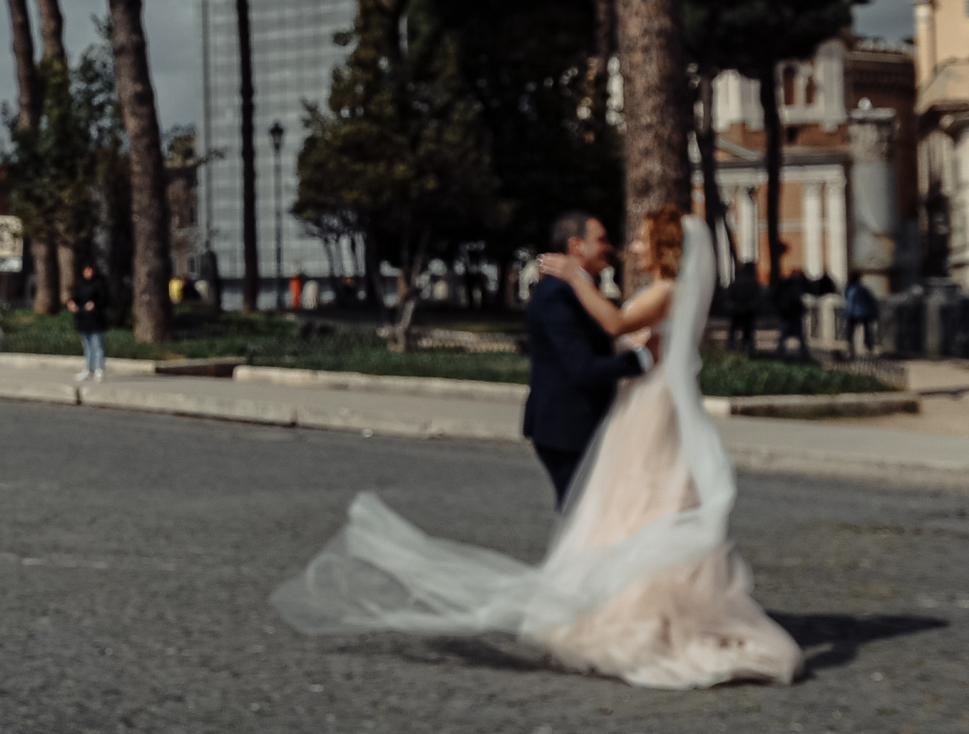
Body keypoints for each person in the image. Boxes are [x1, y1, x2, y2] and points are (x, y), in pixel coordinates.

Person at [274, 209, 801, 690]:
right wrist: (621, 340)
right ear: (576, 247)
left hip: (645, 410)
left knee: (625, 515)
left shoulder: (662, 289)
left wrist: (584, 289)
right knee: (619, 515)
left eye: (638, 239)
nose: (623, 246)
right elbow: (607, 340)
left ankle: (622, 613)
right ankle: (614, 609)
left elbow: (617, 326)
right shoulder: (592, 293)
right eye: (606, 240)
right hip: (611, 413)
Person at [518, 211, 653, 507]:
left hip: (579, 427)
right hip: (566, 430)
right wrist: (642, 359)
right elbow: (583, 368)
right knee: (579, 518)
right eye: (601, 240)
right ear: (577, 246)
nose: (609, 247)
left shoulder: (577, 291)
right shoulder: (557, 295)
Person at [66, 259, 112, 383]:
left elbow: (105, 300)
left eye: (90, 271)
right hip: (83, 319)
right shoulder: (80, 284)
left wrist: (95, 304)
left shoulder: (100, 283)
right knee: (87, 346)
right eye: (86, 271)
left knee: (97, 345)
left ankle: (99, 369)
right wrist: (72, 304)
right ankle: (88, 369)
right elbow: (76, 297)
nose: (88, 273)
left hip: (97, 320)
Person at [721, 261, 762, 354]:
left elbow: (730, 295)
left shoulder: (738, 281)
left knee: (734, 330)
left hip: (737, 310)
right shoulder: (752, 282)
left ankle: (731, 346)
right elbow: (757, 296)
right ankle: (747, 347)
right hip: (748, 310)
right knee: (747, 331)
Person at [841, 273, 880, 358]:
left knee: (850, 332)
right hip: (863, 312)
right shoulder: (862, 289)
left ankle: (851, 350)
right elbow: (871, 300)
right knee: (866, 332)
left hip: (852, 313)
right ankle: (868, 349)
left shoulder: (849, 289)